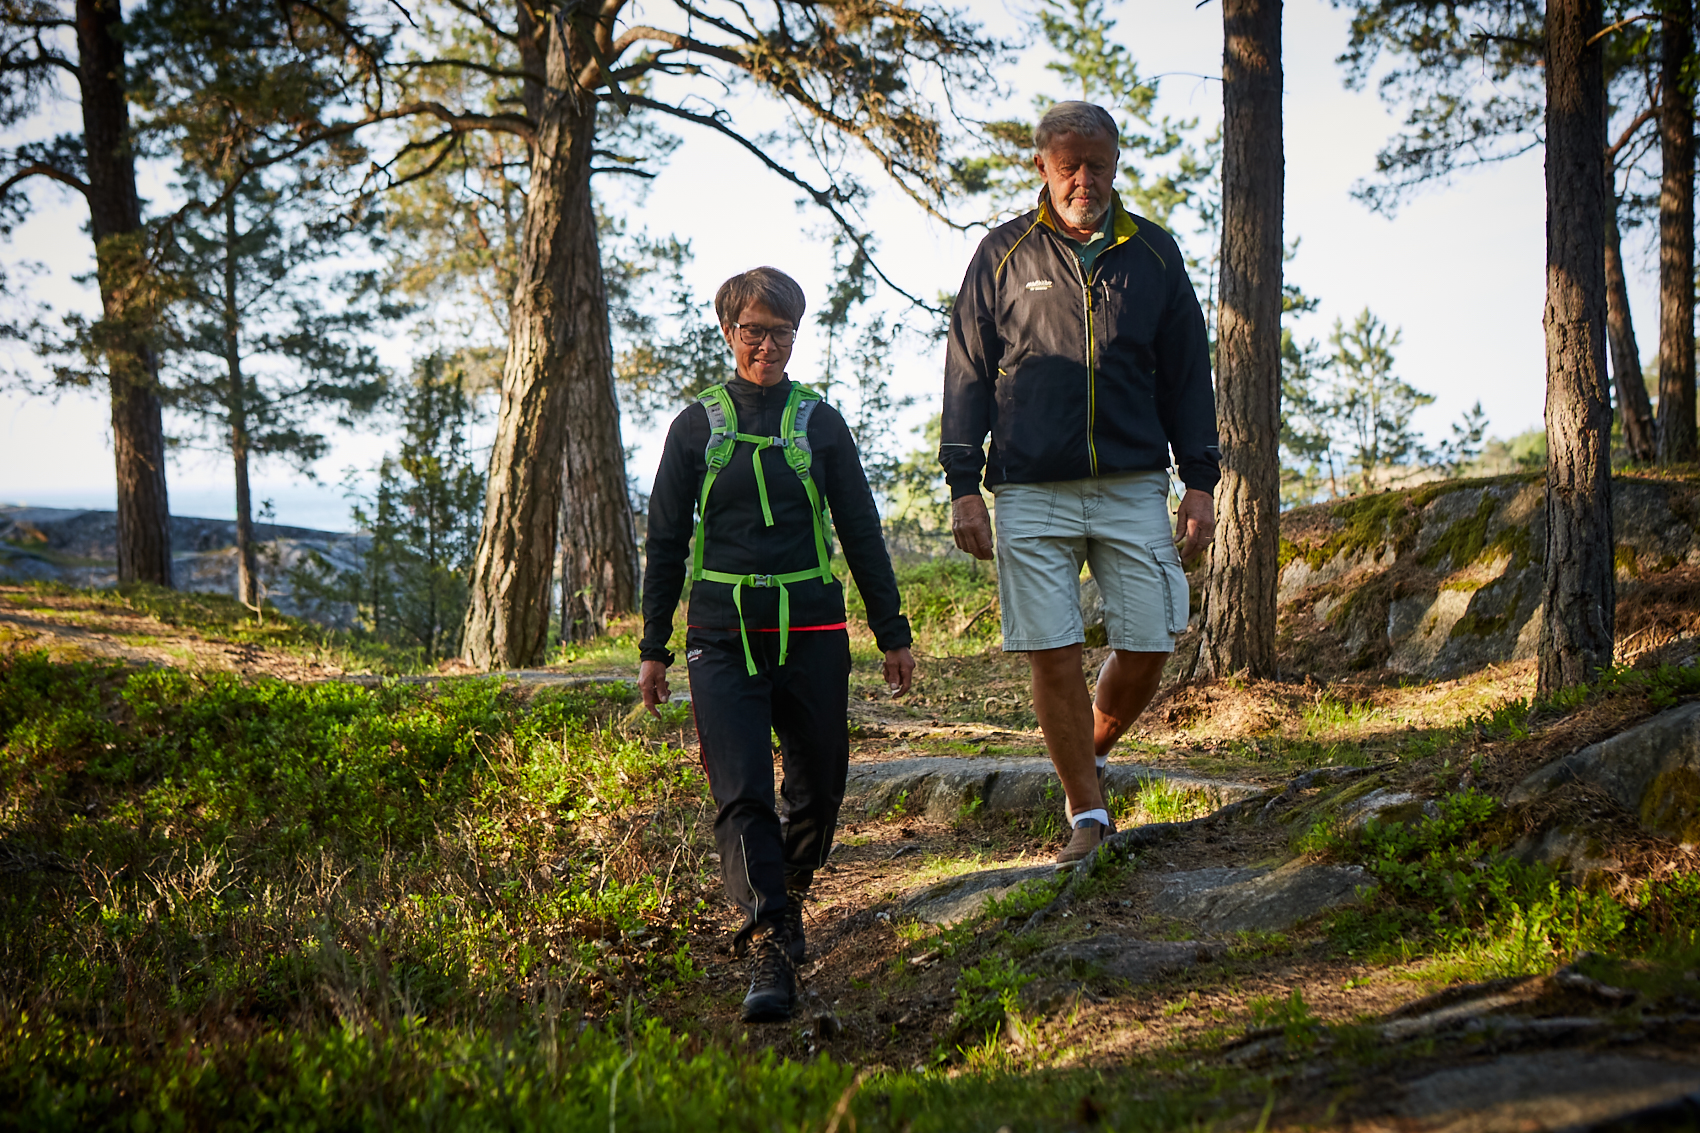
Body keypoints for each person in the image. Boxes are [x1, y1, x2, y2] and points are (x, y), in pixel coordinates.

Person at [939, 101, 1219, 865]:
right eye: (1069, 165)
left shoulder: (1154, 255)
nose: (1083, 180)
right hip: (1030, 487)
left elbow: (1190, 376)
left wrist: (1200, 479)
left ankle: (1083, 749)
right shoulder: (1001, 254)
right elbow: (965, 368)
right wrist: (964, 482)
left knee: (1153, 632)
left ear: (1117, 162)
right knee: (1053, 651)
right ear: (1042, 166)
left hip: (1133, 480)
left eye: (1097, 164)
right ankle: (1086, 813)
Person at [638, 267, 916, 1023]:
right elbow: (666, 540)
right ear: (728, 332)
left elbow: (860, 530)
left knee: (820, 787)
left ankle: (787, 890)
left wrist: (893, 633)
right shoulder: (695, 428)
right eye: (754, 330)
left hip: (814, 628)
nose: (767, 344)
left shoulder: (820, 423)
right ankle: (766, 934)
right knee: (742, 790)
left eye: (782, 331)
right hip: (721, 633)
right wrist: (653, 645)